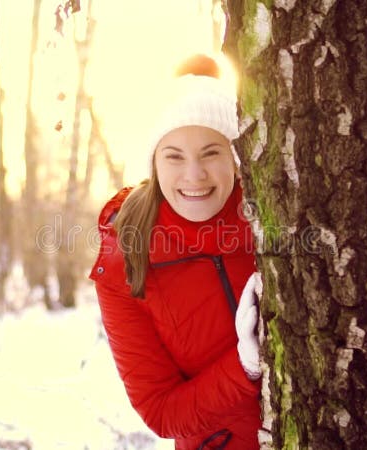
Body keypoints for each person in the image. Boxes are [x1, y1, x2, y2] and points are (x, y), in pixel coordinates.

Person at [89, 54, 262, 450]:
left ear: (236, 161)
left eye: (211, 152)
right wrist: (244, 366)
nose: (194, 175)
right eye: (174, 156)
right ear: (154, 162)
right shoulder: (125, 263)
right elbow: (162, 411)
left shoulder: (273, 220)